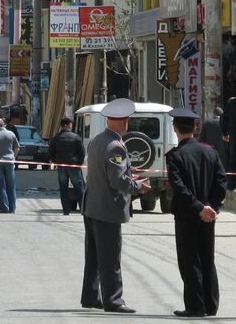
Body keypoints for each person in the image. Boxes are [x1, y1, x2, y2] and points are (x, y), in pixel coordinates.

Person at [80, 99, 151, 313]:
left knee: (93, 257)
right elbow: (118, 181)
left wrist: (130, 175)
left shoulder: (97, 140)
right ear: (125, 122)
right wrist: (138, 186)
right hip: (107, 209)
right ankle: (114, 300)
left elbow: (103, 172)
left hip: (92, 205)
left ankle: (91, 297)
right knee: (110, 257)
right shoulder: (116, 146)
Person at [166, 108, 226, 317]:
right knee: (207, 258)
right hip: (208, 215)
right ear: (195, 128)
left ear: (175, 129)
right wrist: (210, 207)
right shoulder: (211, 152)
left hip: (187, 215)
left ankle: (195, 306)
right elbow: (221, 183)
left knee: (190, 259)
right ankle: (211, 304)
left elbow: (179, 188)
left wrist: (199, 208)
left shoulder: (174, 156)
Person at [49, 117, 86, 215]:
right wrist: (79, 163)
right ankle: (83, 209)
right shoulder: (76, 137)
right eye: (71, 124)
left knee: (63, 188)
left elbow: (51, 152)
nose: (71, 125)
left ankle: (66, 210)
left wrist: (55, 161)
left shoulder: (56, 137)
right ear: (68, 125)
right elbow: (82, 152)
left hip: (61, 166)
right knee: (79, 187)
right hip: (74, 165)